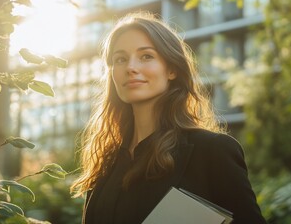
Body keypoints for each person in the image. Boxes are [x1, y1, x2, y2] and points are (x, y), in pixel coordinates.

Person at [71, 12, 267, 224]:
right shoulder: (107, 162)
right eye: (120, 59)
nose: (131, 68)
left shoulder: (213, 151)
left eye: (146, 56)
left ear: (172, 69)